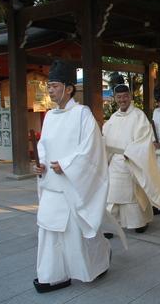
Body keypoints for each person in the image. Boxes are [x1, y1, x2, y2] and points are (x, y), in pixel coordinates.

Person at [32, 60, 111, 293]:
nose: (50, 90)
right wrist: (42, 165)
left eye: (54, 85)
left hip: (74, 184)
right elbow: (43, 146)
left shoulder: (82, 115)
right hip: (52, 186)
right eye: (49, 85)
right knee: (48, 229)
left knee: (78, 233)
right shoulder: (50, 116)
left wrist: (66, 165)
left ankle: (97, 263)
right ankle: (52, 274)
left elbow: (92, 150)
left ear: (69, 88)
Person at [102, 74, 160, 234]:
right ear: (115, 98)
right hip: (115, 161)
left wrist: (130, 154)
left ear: (130, 97)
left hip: (132, 160)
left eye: (125, 96)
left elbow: (144, 139)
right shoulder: (113, 118)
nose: (122, 99)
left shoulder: (138, 116)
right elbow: (105, 137)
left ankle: (140, 222)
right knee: (113, 194)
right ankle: (112, 226)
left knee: (133, 195)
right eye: (119, 97)